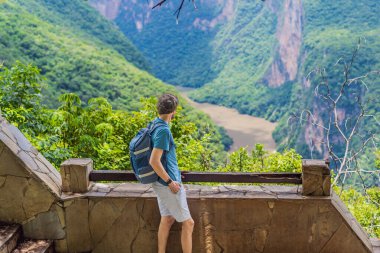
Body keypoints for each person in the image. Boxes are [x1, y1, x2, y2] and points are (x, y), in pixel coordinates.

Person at [149, 93, 194, 253]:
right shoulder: (163, 131)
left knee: (167, 219)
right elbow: (154, 160)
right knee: (189, 223)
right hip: (167, 184)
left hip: (161, 182)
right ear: (173, 111)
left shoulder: (155, 124)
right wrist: (170, 182)